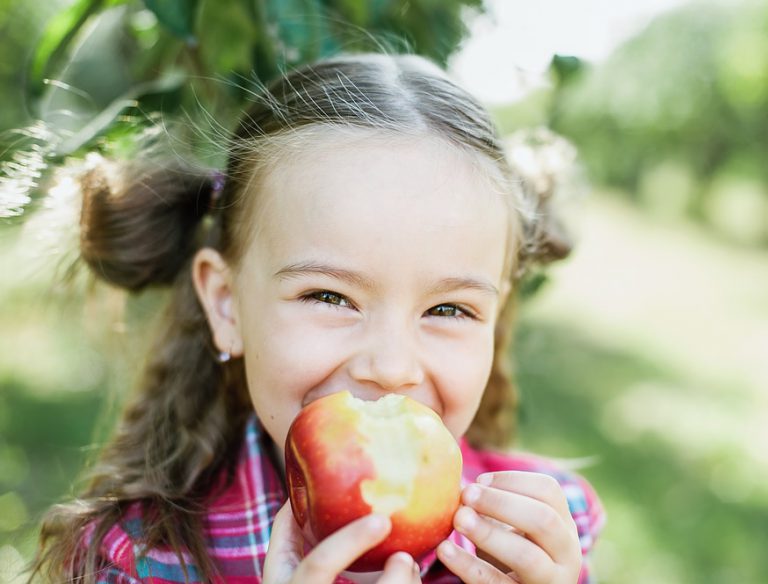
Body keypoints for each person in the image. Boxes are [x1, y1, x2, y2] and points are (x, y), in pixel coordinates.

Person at [31, 52, 604, 584]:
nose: (391, 367)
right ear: (227, 304)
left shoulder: (537, 542)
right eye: (329, 297)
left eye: (449, 308)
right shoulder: (140, 560)